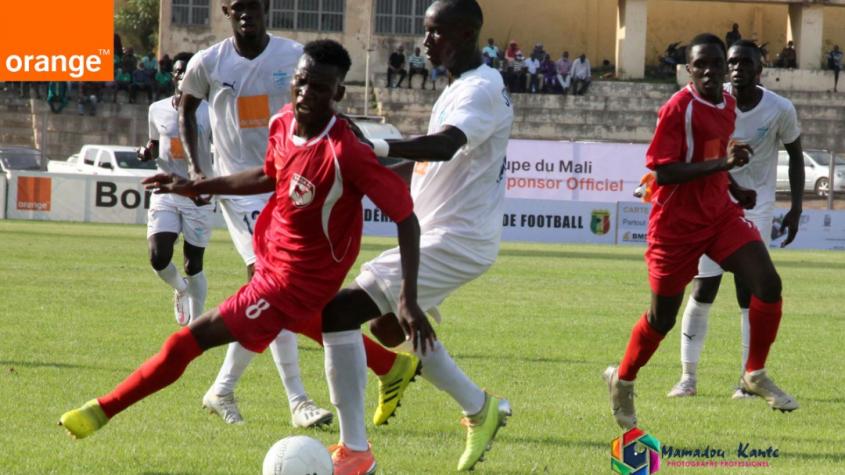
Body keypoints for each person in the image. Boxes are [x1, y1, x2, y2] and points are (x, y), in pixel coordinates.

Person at [58, 42, 431, 458]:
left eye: (320, 88)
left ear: (338, 93)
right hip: (272, 258)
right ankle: (390, 368)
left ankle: (102, 410)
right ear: (293, 80)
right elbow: (268, 175)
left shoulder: (345, 153)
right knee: (298, 324)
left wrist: (408, 297)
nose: (306, 93)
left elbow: (406, 218)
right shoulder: (282, 122)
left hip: (292, 284)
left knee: (188, 341)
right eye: (302, 82)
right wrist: (199, 185)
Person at [320, 1, 513, 473]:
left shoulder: (480, 90)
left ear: (465, 34)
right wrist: (364, 170)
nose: (425, 43)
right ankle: (478, 407)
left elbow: (444, 146)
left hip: (456, 239)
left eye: (435, 33)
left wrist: (374, 145)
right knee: (388, 327)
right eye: (426, 32)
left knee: (339, 312)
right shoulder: (463, 85)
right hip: (447, 236)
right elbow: (429, 163)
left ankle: (355, 450)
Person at [602, 33, 798, 432]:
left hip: (719, 214)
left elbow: (712, 154)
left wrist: (733, 187)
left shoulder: (726, 103)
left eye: (715, 63)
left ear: (725, 68)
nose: (709, 71)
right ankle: (623, 378)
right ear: (688, 70)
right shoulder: (677, 108)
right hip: (675, 227)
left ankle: (753, 373)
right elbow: (663, 172)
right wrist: (723, 166)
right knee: (661, 319)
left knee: (767, 283)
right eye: (700, 65)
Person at [177, 0, 333, 428]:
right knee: (273, 286)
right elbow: (186, 107)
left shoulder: (293, 56)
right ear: (227, 10)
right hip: (241, 189)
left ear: (266, 8)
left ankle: (222, 389)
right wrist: (196, 168)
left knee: (274, 293)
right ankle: (298, 400)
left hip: (286, 182)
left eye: (255, 5)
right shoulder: (208, 62)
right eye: (239, 6)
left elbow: (319, 105)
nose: (247, 13)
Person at [667, 40, 804, 400]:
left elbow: (796, 155)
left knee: (750, 292)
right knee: (703, 288)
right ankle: (687, 377)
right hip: (711, 204)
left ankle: (747, 380)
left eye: (746, 62)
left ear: (760, 70)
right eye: (732, 62)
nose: (738, 68)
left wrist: (796, 207)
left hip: (756, 206)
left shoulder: (780, 109)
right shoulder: (713, 101)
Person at [137, 51, 215, 328]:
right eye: (178, 71)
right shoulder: (157, 109)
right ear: (172, 76)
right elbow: (154, 143)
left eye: (188, 71)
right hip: (166, 191)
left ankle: (196, 325)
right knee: (158, 257)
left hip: (197, 194)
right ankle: (181, 288)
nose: (183, 75)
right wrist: (146, 152)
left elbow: (222, 148)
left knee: (193, 264)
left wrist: (211, 184)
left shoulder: (210, 111)